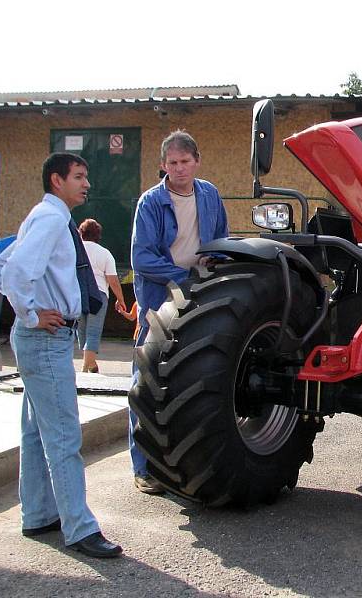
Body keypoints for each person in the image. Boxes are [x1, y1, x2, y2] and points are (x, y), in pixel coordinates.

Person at [0, 152, 122, 558]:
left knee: (35, 433)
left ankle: (38, 515)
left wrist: (28, 314)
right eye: (79, 176)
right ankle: (80, 528)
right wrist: (30, 314)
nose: (86, 184)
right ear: (56, 180)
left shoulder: (45, 216)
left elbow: (0, 263)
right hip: (46, 339)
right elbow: (13, 273)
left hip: (44, 340)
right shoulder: (50, 219)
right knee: (64, 435)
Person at [129, 130, 229, 494]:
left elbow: (221, 242)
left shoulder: (210, 194)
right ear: (162, 165)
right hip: (159, 295)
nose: (179, 169)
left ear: (197, 161)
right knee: (145, 375)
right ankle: (142, 467)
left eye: (185, 161)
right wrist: (183, 275)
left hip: (201, 292)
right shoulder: (151, 202)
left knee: (189, 374)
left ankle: (184, 460)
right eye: (172, 163)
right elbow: (141, 258)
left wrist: (212, 267)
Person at [76, 218, 127, 373]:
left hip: (78, 293)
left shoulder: (75, 250)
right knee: (94, 329)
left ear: (81, 233)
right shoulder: (104, 253)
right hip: (98, 295)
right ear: (98, 235)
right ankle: (88, 365)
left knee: (82, 329)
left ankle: (89, 363)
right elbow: (112, 279)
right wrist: (120, 299)